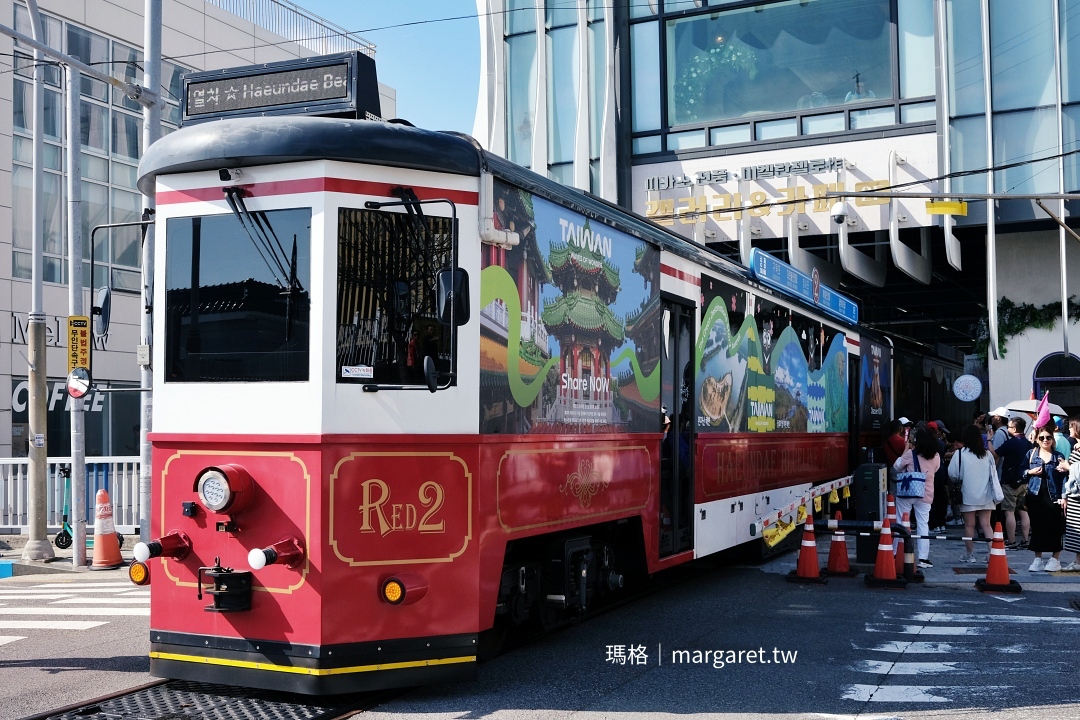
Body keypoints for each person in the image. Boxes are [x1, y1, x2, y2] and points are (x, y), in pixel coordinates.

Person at [948, 424, 999, 563]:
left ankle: (969, 554)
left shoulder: (960, 454)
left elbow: (952, 473)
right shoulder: (987, 454)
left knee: (969, 525)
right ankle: (992, 553)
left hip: (967, 494)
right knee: (986, 525)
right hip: (986, 495)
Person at [892, 421, 940, 568]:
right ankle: (923, 558)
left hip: (908, 491)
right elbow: (935, 470)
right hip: (926, 493)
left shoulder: (911, 454)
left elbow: (896, 466)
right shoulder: (936, 456)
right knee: (923, 524)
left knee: (902, 522)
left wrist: (906, 449)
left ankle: (896, 552)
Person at [1023, 424, 1069, 572]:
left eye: (1048, 437)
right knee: (1037, 527)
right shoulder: (1031, 454)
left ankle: (1055, 559)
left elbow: (1064, 479)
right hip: (1035, 495)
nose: (1045, 440)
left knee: (1055, 527)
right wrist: (1030, 471)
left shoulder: (1058, 456)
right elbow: (1021, 471)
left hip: (1054, 496)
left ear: (1052, 439)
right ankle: (1038, 559)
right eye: (1042, 437)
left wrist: (1064, 497)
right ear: (1037, 439)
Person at [996, 416, 1033, 548]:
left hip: (1009, 481)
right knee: (1023, 511)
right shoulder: (1029, 443)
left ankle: (1011, 541)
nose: (1008, 429)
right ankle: (1025, 540)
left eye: (1009, 427)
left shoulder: (1011, 442)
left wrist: (989, 439)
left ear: (1015, 429)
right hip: (1024, 481)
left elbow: (995, 453)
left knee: (1009, 512)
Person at [1061, 416, 1080, 571]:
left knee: (1077, 527)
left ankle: (1078, 562)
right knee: (1075, 528)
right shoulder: (1076, 447)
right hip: (1074, 493)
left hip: (1077, 494)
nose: (1069, 430)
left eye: (1072, 427)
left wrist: (1068, 467)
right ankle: (1077, 561)